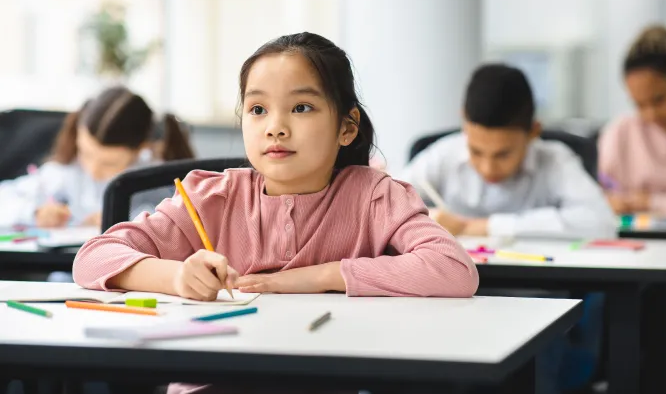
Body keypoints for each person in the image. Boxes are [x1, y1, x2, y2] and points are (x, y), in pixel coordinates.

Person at [73, 32, 479, 394]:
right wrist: (178, 276)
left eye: (301, 108)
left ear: (347, 126)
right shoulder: (211, 197)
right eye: (257, 110)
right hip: (215, 382)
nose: (276, 127)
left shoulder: (375, 195)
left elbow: (453, 269)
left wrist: (318, 277)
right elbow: (93, 258)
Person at [401, 63, 616, 239]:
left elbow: (602, 222)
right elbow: (388, 207)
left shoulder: (556, 160)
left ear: (534, 131)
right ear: (464, 124)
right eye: (476, 151)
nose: (488, 168)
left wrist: (482, 227)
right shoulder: (442, 154)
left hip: (537, 282)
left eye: (503, 154)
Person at [599, 25, 666, 393]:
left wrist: (649, 201)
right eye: (638, 104)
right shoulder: (621, 133)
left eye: (659, 99)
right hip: (625, 265)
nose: (648, 115)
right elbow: (599, 198)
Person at [0, 86, 195, 229]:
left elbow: (184, 222)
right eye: (86, 154)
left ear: (141, 148)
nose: (93, 170)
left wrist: (119, 219)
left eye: (109, 164)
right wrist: (35, 213)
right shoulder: (67, 171)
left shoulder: (156, 178)